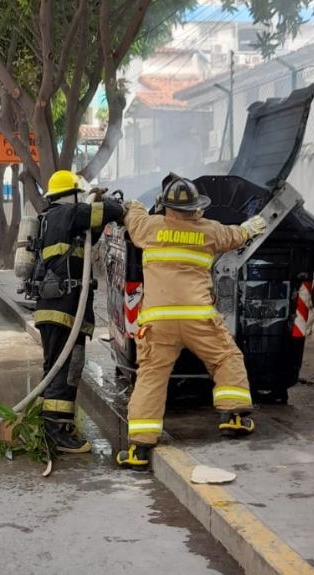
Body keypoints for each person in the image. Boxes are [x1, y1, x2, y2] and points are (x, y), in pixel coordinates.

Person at [115, 177, 267, 471]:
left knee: (152, 376)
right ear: (196, 207)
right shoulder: (209, 231)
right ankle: (234, 416)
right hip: (199, 317)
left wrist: (132, 204)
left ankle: (139, 448)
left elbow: (133, 216)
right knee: (225, 357)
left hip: (157, 322)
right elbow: (234, 236)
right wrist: (251, 228)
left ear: (166, 206)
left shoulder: (150, 227)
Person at [33, 170, 126, 454]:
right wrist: (111, 203)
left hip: (54, 309)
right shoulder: (67, 213)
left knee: (55, 368)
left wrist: (94, 202)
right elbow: (109, 211)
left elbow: (90, 233)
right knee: (67, 370)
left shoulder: (52, 219)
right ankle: (57, 432)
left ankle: (51, 424)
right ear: (72, 194)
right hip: (66, 310)